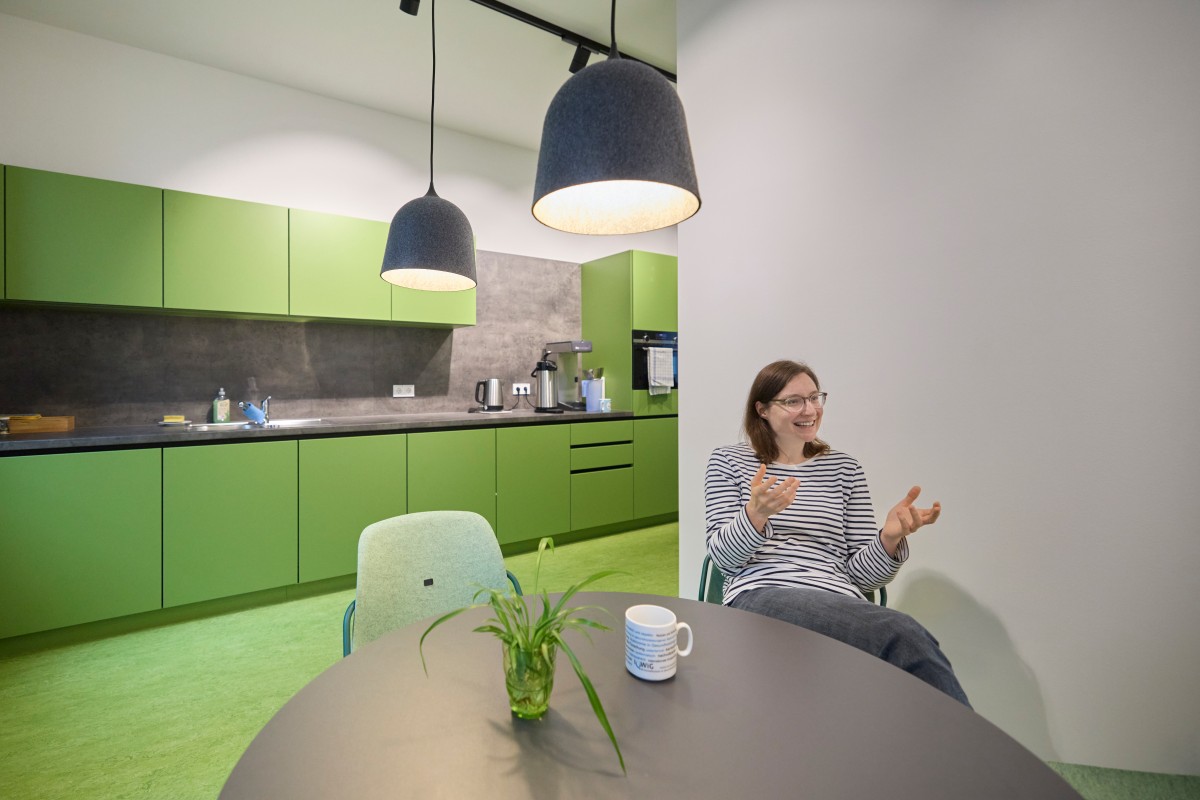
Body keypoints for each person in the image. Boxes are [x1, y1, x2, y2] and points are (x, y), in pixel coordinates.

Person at [705, 359, 971, 707]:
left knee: (898, 650)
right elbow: (725, 561)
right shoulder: (729, 462)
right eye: (793, 401)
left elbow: (862, 577)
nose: (810, 409)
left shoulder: (844, 468)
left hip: (839, 598)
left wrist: (888, 540)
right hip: (762, 591)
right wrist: (755, 515)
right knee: (902, 635)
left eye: (815, 397)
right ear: (763, 409)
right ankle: (974, 758)